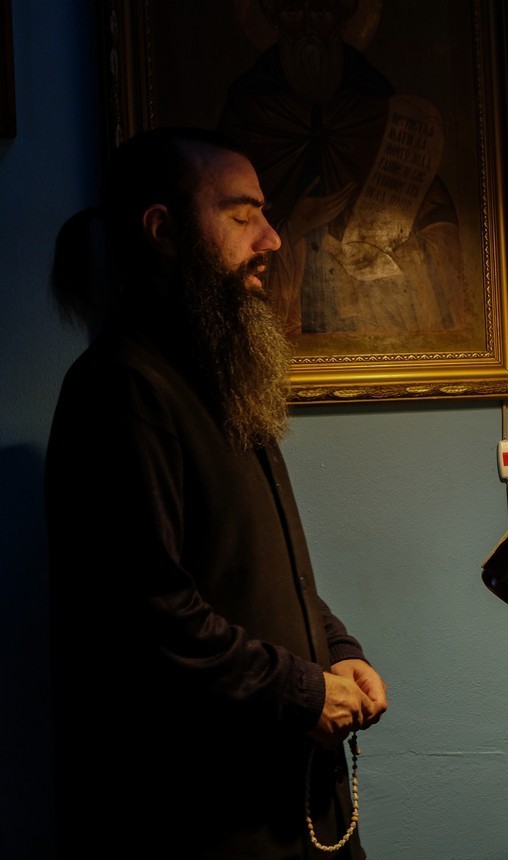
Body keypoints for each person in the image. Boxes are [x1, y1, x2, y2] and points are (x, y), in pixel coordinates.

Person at [45, 126, 388, 859]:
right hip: (204, 817)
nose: (272, 239)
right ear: (163, 230)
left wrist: (335, 650)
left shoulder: (219, 374)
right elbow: (147, 612)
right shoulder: (121, 387)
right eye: (241, 216)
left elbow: (259, 571)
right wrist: (302, 692)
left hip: (291, 799)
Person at [219, 0, 467, 336]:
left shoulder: (375, 103)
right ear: (274, 17)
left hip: (369, 313)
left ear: (343, 14)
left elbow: (424, 202)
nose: (308, 28)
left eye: (320, 10)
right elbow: (221, 226)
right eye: (294, 10)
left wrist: (393, 246)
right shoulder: (251, 106)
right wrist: (294, 226)